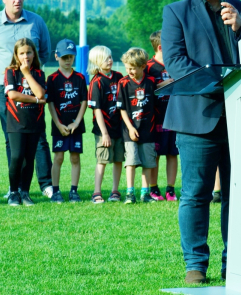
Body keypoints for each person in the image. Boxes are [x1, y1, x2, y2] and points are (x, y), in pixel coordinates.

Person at [161, 0, 241, 284]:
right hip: (198, 118)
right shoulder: (176, 12)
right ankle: (195, 264)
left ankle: (233, 260)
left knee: (238, 196)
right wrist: (224, 84)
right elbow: (177, 64)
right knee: (196, 194)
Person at [0, 0, 53, 198]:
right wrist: (4, 75)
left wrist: (29, 74)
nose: (17, 0)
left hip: (33, 88)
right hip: (4, 91)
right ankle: (16, 188)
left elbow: (44, 52)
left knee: (38, 136)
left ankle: (46, 184)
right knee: (12, 137)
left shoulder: (36, 22)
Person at [4, 38, 47, 207]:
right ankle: (14, 192)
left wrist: (28, 74)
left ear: (34, 53)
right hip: (16, 122)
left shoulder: (38, 74)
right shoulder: (11, 72)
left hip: (34, 121)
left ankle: (25, 193)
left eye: (29, 52)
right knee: (16, 157)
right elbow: (13, 95)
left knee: (29, 159)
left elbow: (41, 94)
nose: (25, 56)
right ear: (16, 55)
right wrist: (35, 100)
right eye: (21, 53)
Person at [46, 39, 88, 203]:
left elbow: (84, 100)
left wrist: (76, 122)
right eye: (64, 57)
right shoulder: (52, 79)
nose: (68, 60)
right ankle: (56, 191)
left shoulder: (79, 77)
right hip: (60, 125)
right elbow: (50, 103)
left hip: (75, 125)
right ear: (57, 57)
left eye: (71, 56)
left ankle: (73, 191)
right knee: (58, 158)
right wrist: (58, 124)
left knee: (75, 158)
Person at [118, 47, 158, 204]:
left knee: (147, 162)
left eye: (132, 68)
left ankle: (145, 193)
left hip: (148, 129)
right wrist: (131, 127)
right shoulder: (123, 83)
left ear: (143, 67)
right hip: (130, 130)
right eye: (127, 68)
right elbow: (121, 109)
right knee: (131, 161)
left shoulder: (151, 82)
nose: (129, 71)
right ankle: (130, 193)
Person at [87, 46, 124, 204]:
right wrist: (105, 134)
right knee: (102, 160)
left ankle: (115, 191)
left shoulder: (119, 76)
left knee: (118, 159)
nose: (110, 60)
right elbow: (97, 110)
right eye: (105, 58)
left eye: (110, 57)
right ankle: (97, 192)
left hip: (120, 128)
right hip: (104, 130)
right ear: (96, 62)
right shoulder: (96, 82)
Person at [146, 31, 178, 201]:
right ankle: (154, 188)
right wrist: (163, 84)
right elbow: (143, 90)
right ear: (160, 47)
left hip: (175, 116)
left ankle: (170, 189)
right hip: (156, 119)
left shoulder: (175, 63)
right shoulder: (148, 66)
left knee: (173, 153)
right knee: (156, 154)